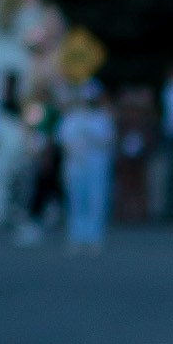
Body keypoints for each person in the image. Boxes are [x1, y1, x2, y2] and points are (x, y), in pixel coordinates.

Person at [60, 83, 115, 250]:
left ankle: (94, 237)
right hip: (77, 164)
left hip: (96, 164)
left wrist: (90, 135)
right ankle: (76, 236)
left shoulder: (102, 119)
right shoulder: (71, 118)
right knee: (77, 199)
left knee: (95, 199)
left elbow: (106, 141)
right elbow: (64, 141)